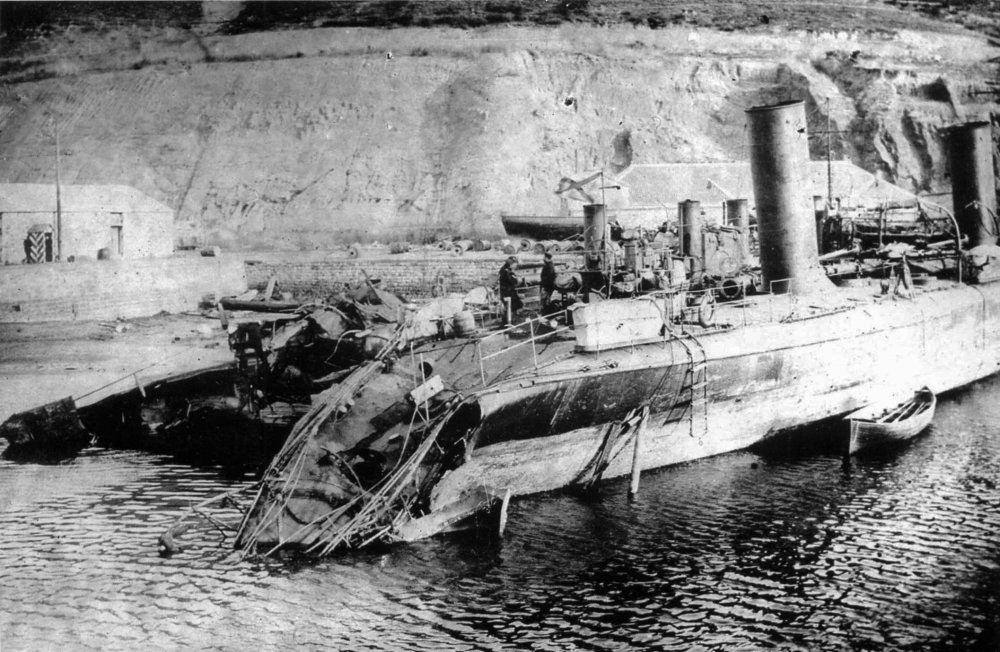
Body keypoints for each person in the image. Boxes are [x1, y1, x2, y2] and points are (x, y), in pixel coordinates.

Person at [498, 255, 523, 324]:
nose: (516, 266)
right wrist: (519, 280)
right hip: (508, 293)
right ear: (511, 264)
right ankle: (512, 321)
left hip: (505, 292)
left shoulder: (503, 269)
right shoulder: (507, 271)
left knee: (510, 307)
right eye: (515, 264)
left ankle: (509, 321)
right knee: (517, 305)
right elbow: (513, 281)